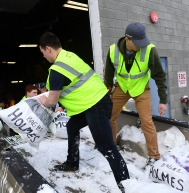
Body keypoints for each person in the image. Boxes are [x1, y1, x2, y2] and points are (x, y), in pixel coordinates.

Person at [37, 32, 129, 192]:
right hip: (96, 101)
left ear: (48, 48)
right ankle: (72, 163)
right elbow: (76, 84)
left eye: (43, 53)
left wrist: (42, 101)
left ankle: (127, 186)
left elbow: (51, 100)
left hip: (96, 104)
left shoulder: (57, 69)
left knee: (107, 147)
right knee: (72, 127)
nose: (44, 57)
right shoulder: (69, 56)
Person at [104, 22, 167, 167]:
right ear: (127, 39)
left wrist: (163, 99)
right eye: (138, 43)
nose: (141, 45)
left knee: (146, 121)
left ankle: (154, 156)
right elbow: (108, 75)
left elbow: (159, 76)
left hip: (140, 88)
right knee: (108, 116)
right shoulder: (113, 51)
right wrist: (107, 93)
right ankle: (112, 146)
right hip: (121, 88)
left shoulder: (149, 50)